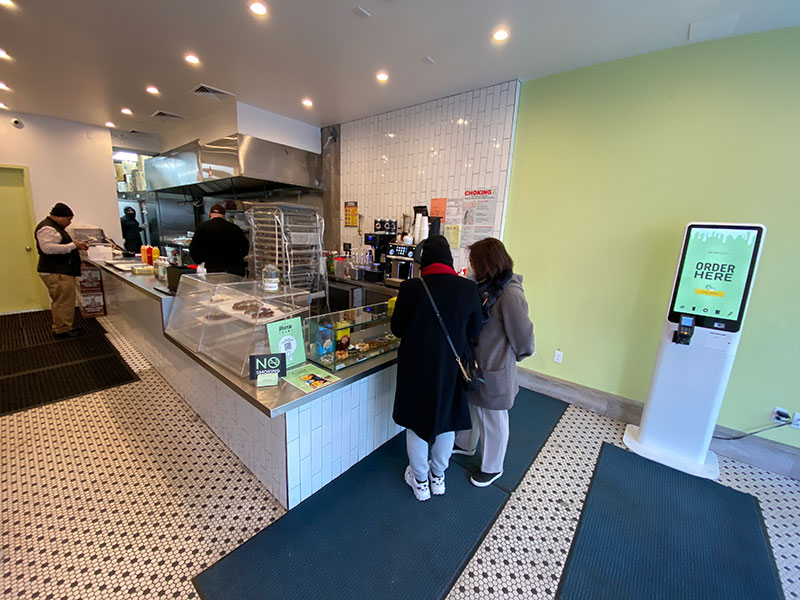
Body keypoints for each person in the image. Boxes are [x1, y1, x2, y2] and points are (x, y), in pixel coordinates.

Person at [391, 234, 483, 501]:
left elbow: (397, 329)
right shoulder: (468, 289)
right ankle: (438, 477)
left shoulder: (410, 288)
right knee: (447, 421)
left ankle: (420, 481)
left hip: (416, 370)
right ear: (449, 259)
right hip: (452, 371)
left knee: (416, 423)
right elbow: (474, 332)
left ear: (424, 260)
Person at [454, 237, 535, 487]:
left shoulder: (509, 293)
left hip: (495, 367)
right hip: (477, 365)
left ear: (486, 264)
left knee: (493, 418)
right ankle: (465, 445)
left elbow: (523, 336)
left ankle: (492, 467)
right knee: (472, 406)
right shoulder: (482, 287)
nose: (470, 267)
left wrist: (516, 357)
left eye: (473, 263)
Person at [34, 203, 89, 338]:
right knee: (63, 301)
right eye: (68, 219)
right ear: (58, 217)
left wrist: (76, 247)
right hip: (57, 272)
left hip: (59, 271)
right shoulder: (48, 228)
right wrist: (72, 245)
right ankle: (62, 329)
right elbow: (48, 249)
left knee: (63, 300)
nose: (69, 222)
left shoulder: (53, 227)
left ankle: (64, 326)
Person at [188, 204, 249, 276]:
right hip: (235, 269)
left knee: (218, 286)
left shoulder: (202, 228)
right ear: (224, 215)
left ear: (210, 214)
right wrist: (238, 258)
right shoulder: (235, 228)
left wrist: (199, 260)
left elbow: (194, 248)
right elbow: (246, 246)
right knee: (234, 287)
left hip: (214, 269)